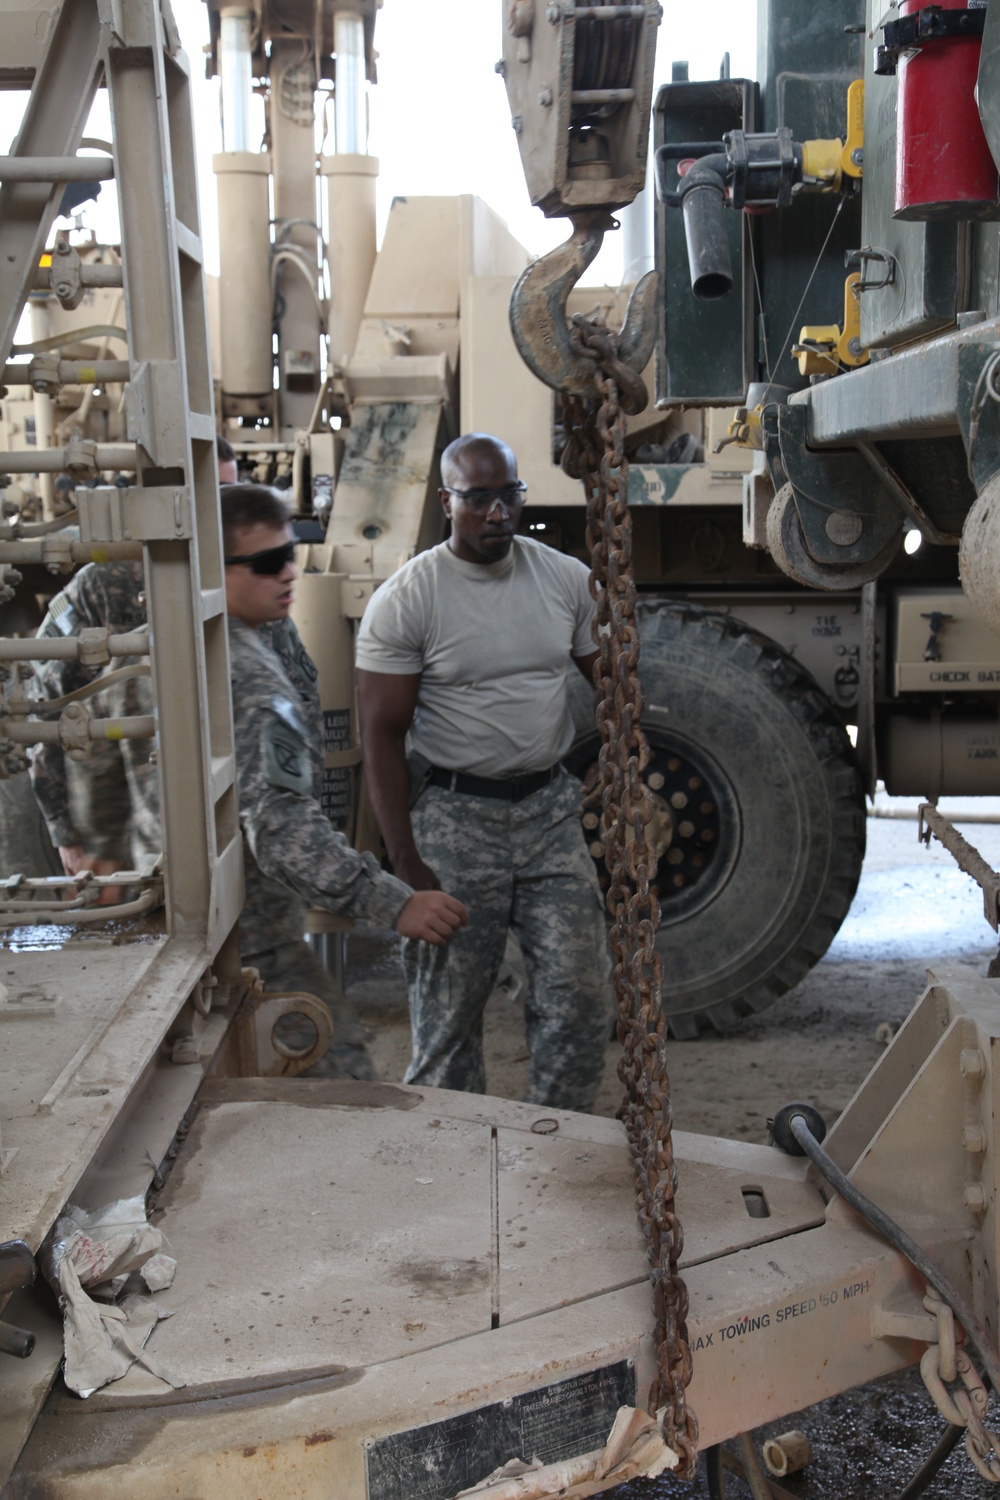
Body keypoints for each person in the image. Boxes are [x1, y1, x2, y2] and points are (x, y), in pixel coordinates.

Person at [355, 431, 610, 1111]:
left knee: (581, 997)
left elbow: (615, 685)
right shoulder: (410, 599)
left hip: (551, 812)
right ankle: (456, 1173)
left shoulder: (562, 579)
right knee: (448, 1021)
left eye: (509, 495)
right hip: (454, 819)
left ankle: (559, 1147)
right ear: (448, 502)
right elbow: (380, 736)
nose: (498, 512)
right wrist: (405, 861)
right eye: (479, 499)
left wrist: (619, 760)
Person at [220, 484, 467, 1071]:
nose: (288, 573)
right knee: (340, 1083)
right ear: (214, 568)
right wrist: (391, 902)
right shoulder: (250, 678)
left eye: (293, 554)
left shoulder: (189, 643)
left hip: (205, 936)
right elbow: (280, 828)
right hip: (250, 945)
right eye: (265, 563)